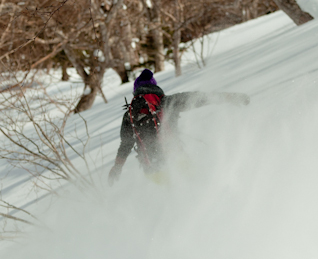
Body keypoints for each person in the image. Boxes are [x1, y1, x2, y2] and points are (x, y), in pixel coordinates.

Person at [107, 69, 250, 185]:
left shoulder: (130, 115)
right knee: (195, 190)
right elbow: (198, 98)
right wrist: (230, 97)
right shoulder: (167, 102)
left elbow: (125, 144)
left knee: (169, 201)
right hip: (176, 160)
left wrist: (117, 168)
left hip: (151, 169)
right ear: (155, 87)